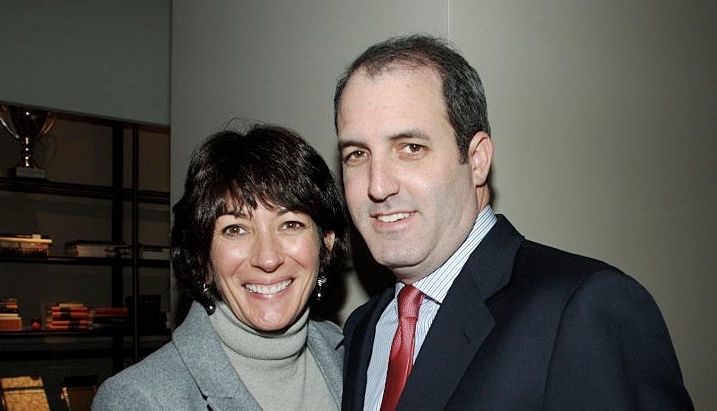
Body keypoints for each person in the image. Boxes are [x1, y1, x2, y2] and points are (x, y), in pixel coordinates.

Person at [335, 34, 693, 410]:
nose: (377, 186)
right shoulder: (364, 329)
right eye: (357, 154)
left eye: (411, 148)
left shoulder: (585, 309)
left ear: (477, 160)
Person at [92, 124, 348, 410]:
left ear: (326, 244)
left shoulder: (352, 357)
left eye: (290, 224)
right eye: (235, 229)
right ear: (202, 258)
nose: (267, 258)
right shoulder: (138, 399)